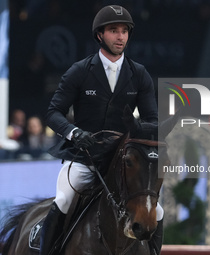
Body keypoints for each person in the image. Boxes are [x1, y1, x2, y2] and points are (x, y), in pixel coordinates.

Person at [41, 5, 163, 255]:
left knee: (157, 211)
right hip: (84, 157)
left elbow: (151, 119)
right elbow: (53, 113)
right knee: (63, 200)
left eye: (124, 31)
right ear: (100, 35)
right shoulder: (79, 71)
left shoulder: (139, 74)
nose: (120, 37)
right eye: (114, 31)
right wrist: (74, 133)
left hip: (124, 161)